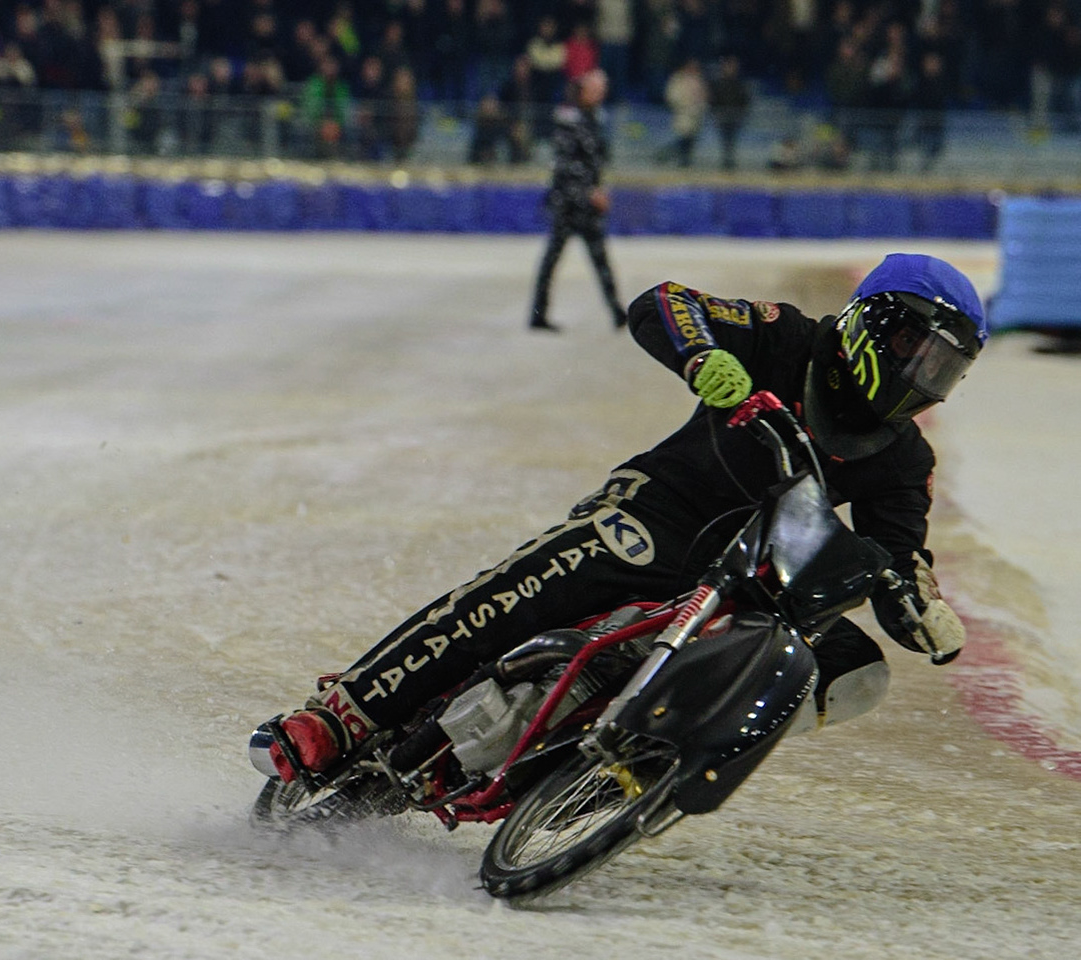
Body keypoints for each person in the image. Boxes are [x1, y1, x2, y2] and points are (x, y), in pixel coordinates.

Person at [266, 254, 986, 782]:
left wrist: (915, 605)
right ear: (872, 324)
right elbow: (666, 302)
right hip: (662, 512)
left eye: (943, 368)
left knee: (850, 670)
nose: (924, 378)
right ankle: (346, 712)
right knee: (530, 586)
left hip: (752, 585)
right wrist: (702, 357)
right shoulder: (788, 339)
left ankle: (634, 780)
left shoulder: (902, 458)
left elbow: (895, 551)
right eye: (915, 352)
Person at [527, 69, 626, 332]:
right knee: (553, 261)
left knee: (599, 260)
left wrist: (596, 190)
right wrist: (589, 192)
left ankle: (617, 312)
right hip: (568, 205)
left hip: (586, 205)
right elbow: (565, 166)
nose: (600, 93)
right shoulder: (569, 120)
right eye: (595, 88)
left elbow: (592, 162)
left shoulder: (594, 119)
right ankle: (538, 314)